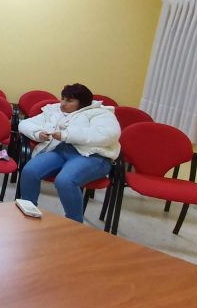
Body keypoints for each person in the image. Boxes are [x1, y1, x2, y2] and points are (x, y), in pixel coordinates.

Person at [17, 83, 120, 223]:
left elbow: (107, 135)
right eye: (63, 98)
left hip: (93, 156)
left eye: (69, 101)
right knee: (30, 171)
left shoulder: (101, 113)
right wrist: (37, 133)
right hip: (63, 151)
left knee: (65, 181)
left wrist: (67, 135)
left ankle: (74, 223)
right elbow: (25, 124)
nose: (63, 103)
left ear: (82, 103)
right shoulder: (55, 110)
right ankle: (28, 213)